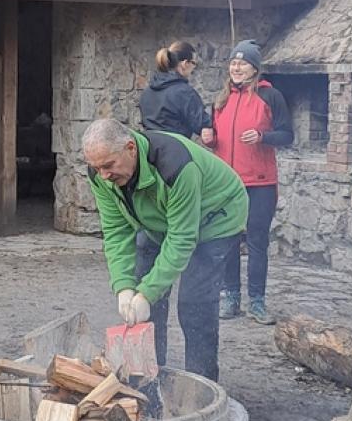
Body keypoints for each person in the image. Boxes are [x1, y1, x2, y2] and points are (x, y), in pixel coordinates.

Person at [83, 118, 248, 381]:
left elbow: (182, 237)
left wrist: (147, 294)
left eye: (108, 166)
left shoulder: (176, 165)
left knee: (194, 303)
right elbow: (116, 231)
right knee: (142, 290)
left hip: (216, 217)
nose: (104, 175)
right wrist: (125, 287)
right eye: (96, 168)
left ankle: (201, 385)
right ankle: (150, 376)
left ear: (130, 148)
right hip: (158, 221)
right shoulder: (101, 176)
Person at [201, 40, 293, 325]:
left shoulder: (270, 96)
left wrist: (263, 137)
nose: (236, 67)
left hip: (260, 182)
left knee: (256, 241)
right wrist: (209, 138)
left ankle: (257, 301)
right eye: (233, 63)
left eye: (242, 63)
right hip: (227, 184)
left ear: (254, 68)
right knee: (227, 241)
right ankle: (230, 297)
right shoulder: (221, 99)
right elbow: (216, 135)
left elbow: (288, 135)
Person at [139, 41, 209, 138]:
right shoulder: (184, 93)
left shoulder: (146, 93)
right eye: (194, 63)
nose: (194, 68)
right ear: (185, 64)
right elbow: (202, 123)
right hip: (175, 150)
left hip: (151, 150)